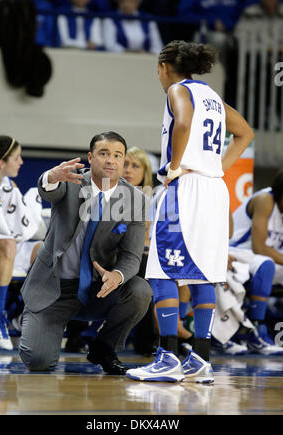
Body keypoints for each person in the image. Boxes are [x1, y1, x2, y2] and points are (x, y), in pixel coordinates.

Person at [126, 40, 254, 384]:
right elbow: (245, 133)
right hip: (214, 188)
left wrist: (175, 167)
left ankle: (167, 356)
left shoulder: (178, 90)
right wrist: (217, 167)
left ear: (165, 67)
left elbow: (182, 123)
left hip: (187, 189)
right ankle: (200, 357)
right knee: (203, 275)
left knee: (161, 272)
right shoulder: (211, 95)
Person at [19, 131, 152, 375]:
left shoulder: (135, 199)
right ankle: (41, 321)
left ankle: (104, 347)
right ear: (91, 158)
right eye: (103, 154)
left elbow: (131, 256)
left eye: (117, 155)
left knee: (139, 290)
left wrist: (118, 276)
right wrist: (50, 176)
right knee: (38, 361)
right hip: (55, 289)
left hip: (98, 289)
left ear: (122, 161)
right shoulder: (70, 182)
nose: (110, 160)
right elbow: (49, 190)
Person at [0, 134, 43, 351]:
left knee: (47, 250)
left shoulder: (10, 186)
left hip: (9, 244)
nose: (21, 162)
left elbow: (21, 225)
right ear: (1, 163)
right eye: (17, 158)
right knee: (8, 244)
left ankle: (21, 315)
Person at [228, 169, 283, 354]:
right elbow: (259, 247)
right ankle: (256, 333)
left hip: (263, 260)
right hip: (236, 253)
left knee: (266, 263)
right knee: (265, 263)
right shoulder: (266, 200)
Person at [122, 146, 159, 355]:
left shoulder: (151, 198)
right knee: (144, 271)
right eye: (125, 164)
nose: (128, 170)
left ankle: (162, 338)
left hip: (140, 253)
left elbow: (148, 234)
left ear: (145, 172)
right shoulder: (111, 193)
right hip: (115, 253)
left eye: (135, 165)